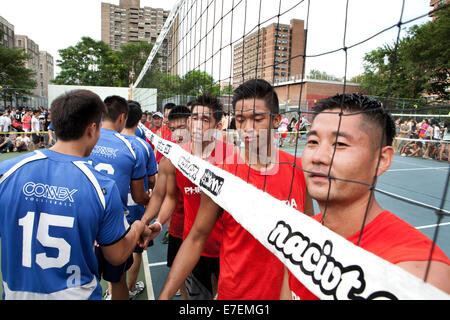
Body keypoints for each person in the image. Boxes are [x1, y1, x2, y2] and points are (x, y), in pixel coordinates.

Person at [281, 93, 449, 300]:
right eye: (313, 141)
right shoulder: (298, 236)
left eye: (340, 144)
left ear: (382, 159)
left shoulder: (419, 272)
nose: (318, 157)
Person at [157, 79, 314, 300]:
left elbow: (308, 230)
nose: (247, 128)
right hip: (236, 296)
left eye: (257, 119)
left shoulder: (298, 169)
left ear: (276, 120)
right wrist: (165, 295)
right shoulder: (221, 174)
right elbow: (196, 238)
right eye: (240, 120)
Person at [0, 89, 150, 300]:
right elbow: (116, 256)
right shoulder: (101, 186)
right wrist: (137, 227)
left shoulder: (7, 172)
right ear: (92, 129)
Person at [144, 95, 234, 300]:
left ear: (218, 125)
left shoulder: (232, 158)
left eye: (205, 120)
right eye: (194, 118)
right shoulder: (174, 158)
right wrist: (157, 222)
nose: (197, 125)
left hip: (228, 250)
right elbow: (170, 196)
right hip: (194, 246)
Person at [88, 95, 150, 300]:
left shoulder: (86, 138)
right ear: (122, 117)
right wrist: (152, 202)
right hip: (114, 225)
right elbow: (139, 195)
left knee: (84, 281)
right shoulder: (134, 147)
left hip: (83, 221)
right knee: (118, 280)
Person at [142, 105, 191, 299]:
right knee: (183, 280)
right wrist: (152, 221)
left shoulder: (210, 156)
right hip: (179, 229)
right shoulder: (168, 159)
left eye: (183, 129)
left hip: (210, 234)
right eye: (173, 130)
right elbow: (162, 195)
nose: (178, 135)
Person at [121, 101, 158, 299]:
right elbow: (153, 180)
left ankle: (113, 291)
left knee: (114, 248)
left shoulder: (107, 143)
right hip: (137, 208)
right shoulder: (144, 146)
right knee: (136, 250)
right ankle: (130, 288)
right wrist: (150, 197)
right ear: (140, 119)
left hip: (115, 208)